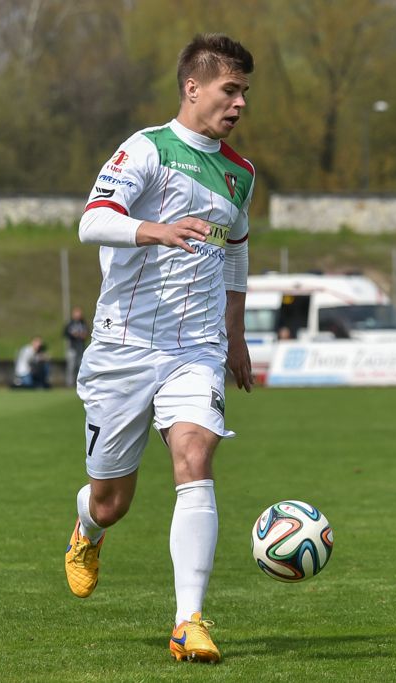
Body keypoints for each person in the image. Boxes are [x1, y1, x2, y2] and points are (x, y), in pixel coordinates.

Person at [64, 33, 255, 665]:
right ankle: (87, 527)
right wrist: (155, 230)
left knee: (195, 455)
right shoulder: (146, 148)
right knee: (112, 501)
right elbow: (93, 220)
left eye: (245, 93)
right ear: (193, 88)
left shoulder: (241, 173)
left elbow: (235, 253)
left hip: (195, 347)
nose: (239, 104)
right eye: (230, 90)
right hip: (124, 346)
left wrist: (234, 335)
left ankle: (188, 621)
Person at [62, 307, 89, 388]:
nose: (78, 315)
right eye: (76, 314)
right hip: (72, 348)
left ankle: (79, 383)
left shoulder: (83, 323)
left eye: (79, 314)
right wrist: (73, 334)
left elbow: (88, 332)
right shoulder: (70, 323)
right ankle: (69, 383)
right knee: (71, 366)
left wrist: (84, 335)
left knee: (80, 366)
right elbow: (65, 333)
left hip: (81, 348)